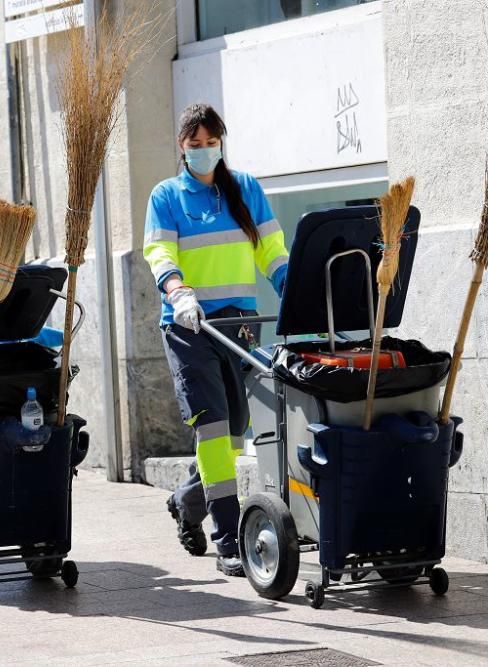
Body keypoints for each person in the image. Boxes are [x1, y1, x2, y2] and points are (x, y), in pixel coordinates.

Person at [143, 104, 289, 577]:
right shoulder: (166, 196)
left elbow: (270, 247)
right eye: (195, 144)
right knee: (212, 426)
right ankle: (229, 538)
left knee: (233, 434)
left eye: (211, 143)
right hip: (190, 325)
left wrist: (293, 285)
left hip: (240, 324)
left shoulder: (244, 189)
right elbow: (159, 249)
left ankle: (187, 500)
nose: (204, 151)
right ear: (181, 147)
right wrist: (177, 290)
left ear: (221, 142)